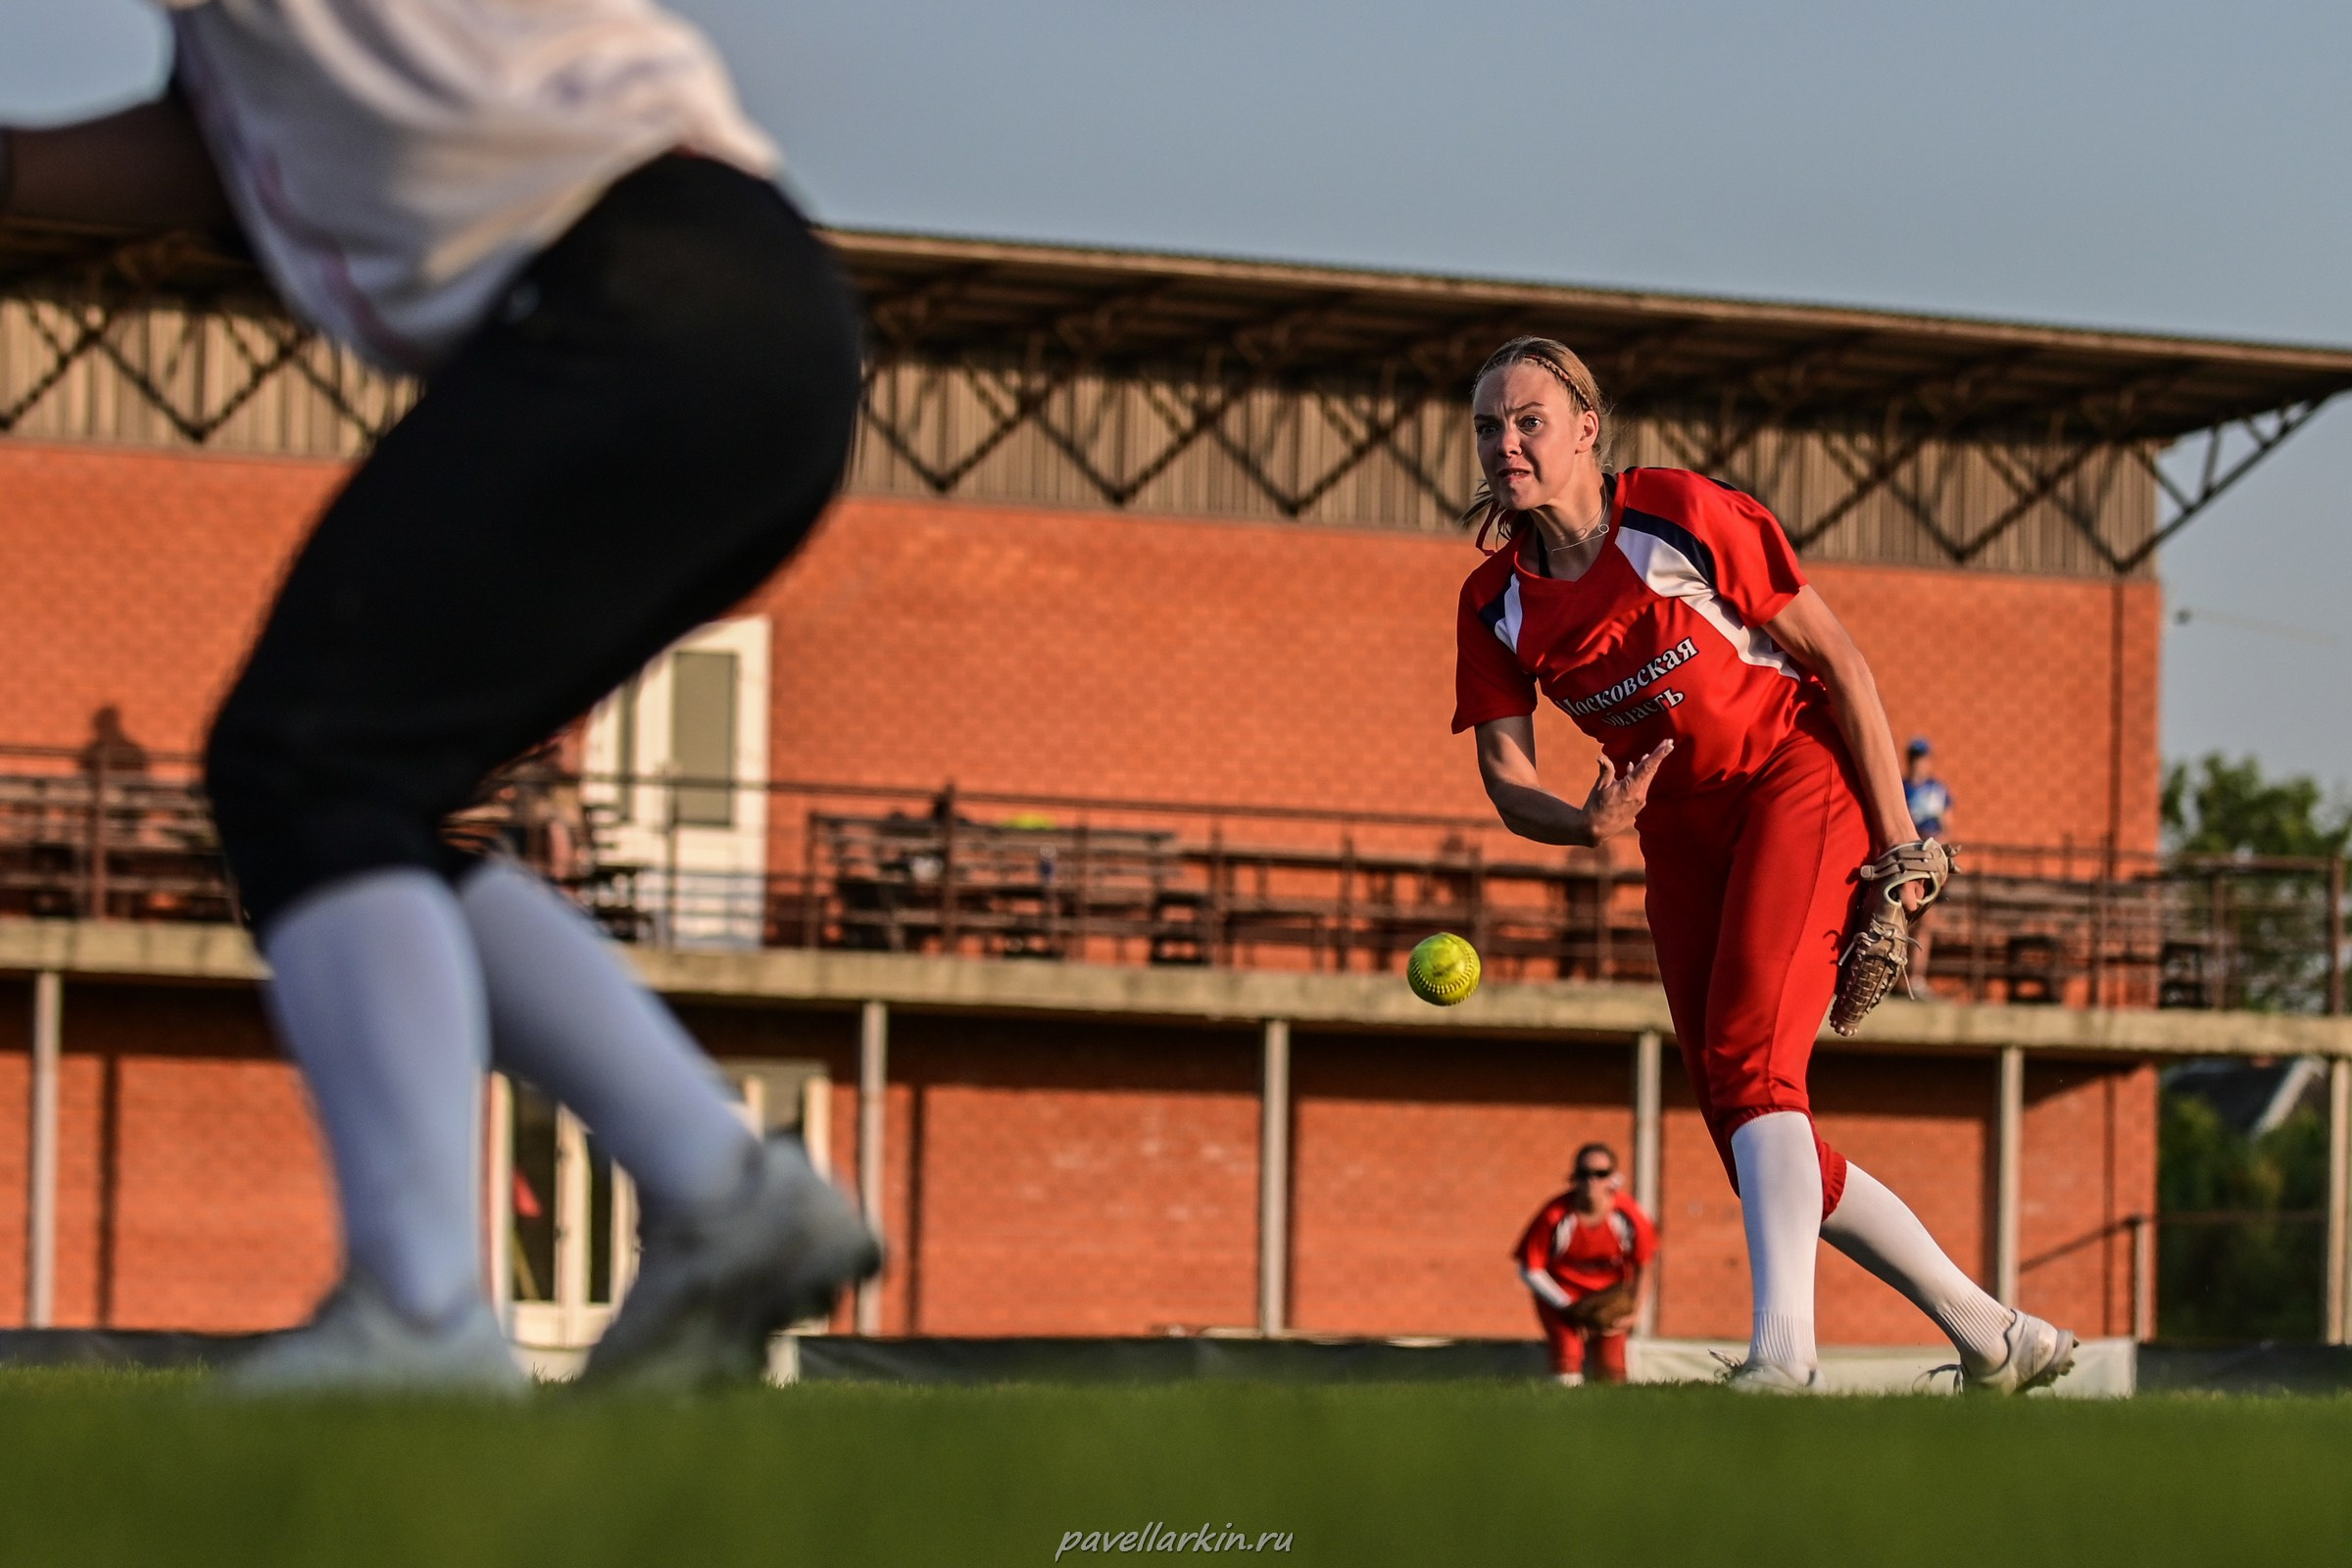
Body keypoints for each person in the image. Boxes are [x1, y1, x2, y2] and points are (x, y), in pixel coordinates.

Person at [0, 1, 878, 1392]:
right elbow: (230, 144)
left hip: (626, 293)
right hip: (750, 319)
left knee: (308, 766)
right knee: (359, 801)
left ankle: (422, 1308)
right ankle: (724, 1189)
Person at [1450, 336, 2073, 1394]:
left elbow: (1841, 664)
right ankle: (1994, 1333)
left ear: (1587, 430)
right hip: (1678, 832)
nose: (1504, 442)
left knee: (1755, 1072)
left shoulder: (1678, 513)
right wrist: (1583, 824)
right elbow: (1508, 780)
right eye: (1487, 426)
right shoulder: (1493, 601)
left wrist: (1902, 848)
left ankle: (1784, 1358)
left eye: (1528, 421)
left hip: (1795, 777)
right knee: (1746, 1121)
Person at [1513, 1143, 1655, 1387]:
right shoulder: (1555, 1215)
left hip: (1607, 1301)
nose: (1592, 1181)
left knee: (1612, 1365)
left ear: (1613, 1179)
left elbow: (1645, 1263)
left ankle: (1611, 1409)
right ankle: (1565, 1405)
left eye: (1600, 1174)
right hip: (1562, 1299)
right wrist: (1568, 1307)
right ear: (1574, 1177)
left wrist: (1634, 1311)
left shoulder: (1627, 1215)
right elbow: (1530, 1268)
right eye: (1584, 1173)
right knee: (1568, 1354)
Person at [1901, 739, 1952, 988]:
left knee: (1926, 921)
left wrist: (1942, 856)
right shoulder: (1901, 789)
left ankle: (1917, 978)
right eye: (1914, 758)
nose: (1918, 763)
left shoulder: (1937, 791)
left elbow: (1947, 826)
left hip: (1930, 865)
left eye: (1922, 758)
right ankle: (1896, 978)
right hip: (1908, 861)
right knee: (1902, 918)